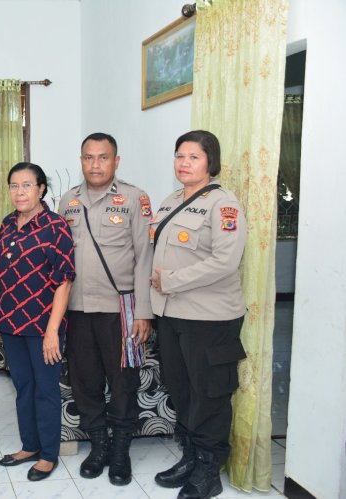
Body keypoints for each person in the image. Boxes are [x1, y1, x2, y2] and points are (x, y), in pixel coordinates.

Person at [149, 130, 247, 499]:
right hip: (172, 314)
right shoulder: (171, 200)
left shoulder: (224, 205)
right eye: (179, 156)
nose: (184, 163)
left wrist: (171, 280)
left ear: (210, 162)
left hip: (209, 318)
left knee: (210, 393)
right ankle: (190, 456)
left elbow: (225, 262)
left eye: (193, 157)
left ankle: (209, 470)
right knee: (181, 389)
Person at [58, 133, 153, 485]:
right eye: (88, 157)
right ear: (81, 160)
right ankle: (98, 446)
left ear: (116, 161)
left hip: (122, 309)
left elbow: (145, 256)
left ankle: (120, 452)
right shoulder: (68, 201)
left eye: (102, 157)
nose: (95, 164)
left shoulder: (134, 198)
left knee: (123, 382)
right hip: (78, 309)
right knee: (85, 383)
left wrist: (144, 311)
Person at [0, 162, 75, 482]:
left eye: (27, 185)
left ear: (41, 188)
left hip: (43, 325)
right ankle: (30, 445)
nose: (19, 192)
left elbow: (64, 281)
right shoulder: (8, 223)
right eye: (14, 185)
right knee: (23, 387)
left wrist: (53, 330)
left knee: (45, 390)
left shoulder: (55, 226)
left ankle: (49, 454)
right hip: (10, 322)